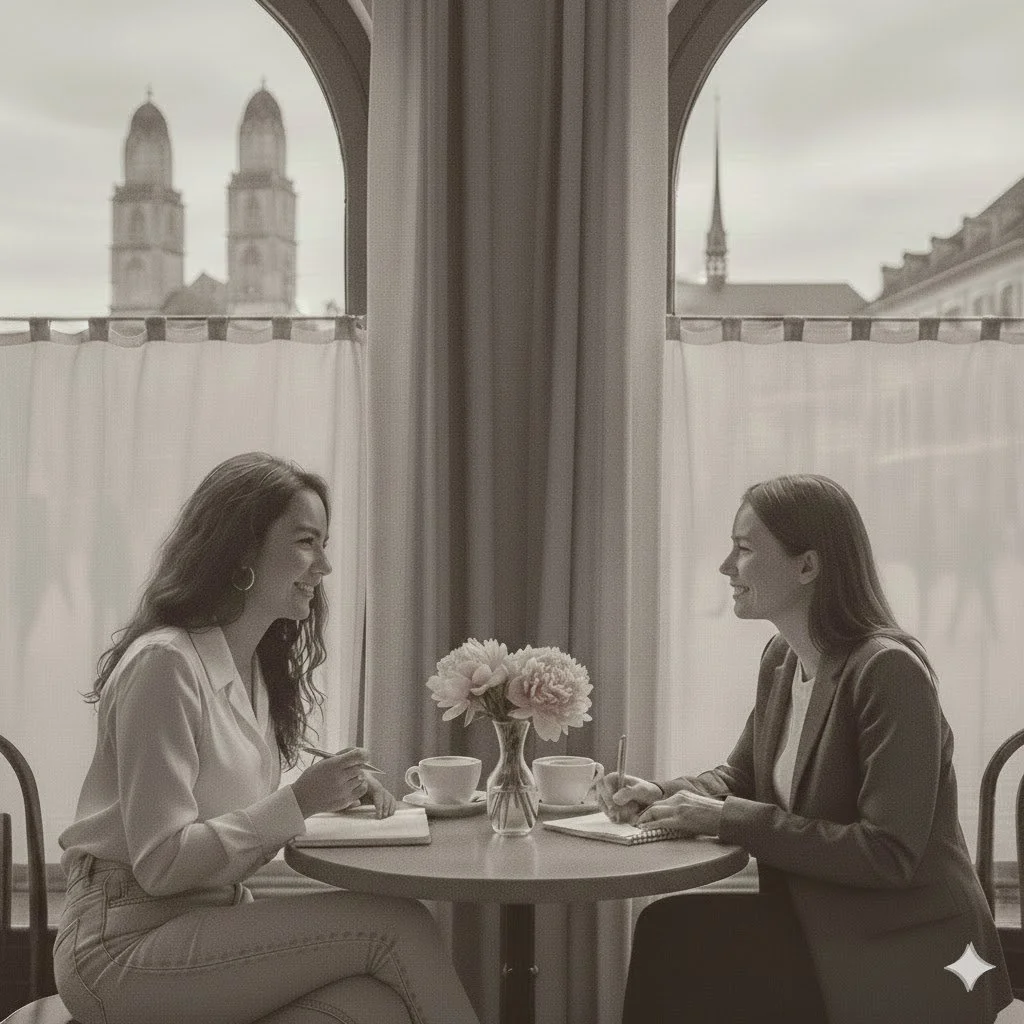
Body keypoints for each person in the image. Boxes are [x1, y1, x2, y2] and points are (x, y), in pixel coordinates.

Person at [54, 452, 479, 1024]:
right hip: (121, 944)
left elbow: (227, 816)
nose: (324, 565)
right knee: (397, 925)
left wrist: (331, 792)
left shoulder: (248, 669)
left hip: (198, 924)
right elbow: (161, 865)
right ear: (243, 550)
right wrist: (300, 800)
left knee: (374, 1007)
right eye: (306, 541)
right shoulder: (165, 665)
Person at [597, 473, 1013, 1024]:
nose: (726, 567)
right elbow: (740, 779)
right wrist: (664, 793)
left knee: (682, 958)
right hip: (822, 924)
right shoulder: (782, 658)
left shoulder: (889, 673)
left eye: (743, 549)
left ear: (807, 566)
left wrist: (730, 820)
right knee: (664, 931)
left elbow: (887, 854)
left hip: (909, 946)